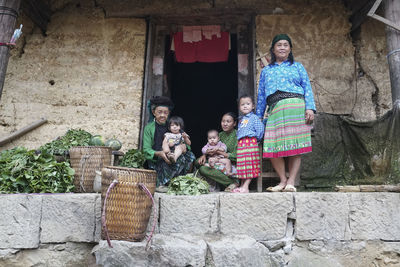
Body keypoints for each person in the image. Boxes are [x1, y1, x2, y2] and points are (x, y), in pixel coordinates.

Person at [256, 33, 316, 192]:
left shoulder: (297, 66)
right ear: (273, 49)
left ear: (289, 49)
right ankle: (282, 180)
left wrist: (310, 107)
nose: (282, 47)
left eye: (285, 45)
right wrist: (258, 117)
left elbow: (307, 87)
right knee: (271, 146)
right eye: (279, 45)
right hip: (274, 109)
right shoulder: (266, 71)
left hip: (296, 107)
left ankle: (290, 182)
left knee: (296, 145)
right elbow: (261, 95)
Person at [143, 96, 196, 192]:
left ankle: (180, 181)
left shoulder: (172, 125)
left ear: (168, 114)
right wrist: (160, 153)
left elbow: (186, 142)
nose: (162, 115)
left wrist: (184, 147)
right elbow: (146, 150)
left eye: (165, 112)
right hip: (159, 156)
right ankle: (161, 183)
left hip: (174, 154)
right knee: (165, 161)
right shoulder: (149, 128)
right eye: (159, 112)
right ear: (154, 112)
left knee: (190, 156)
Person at [197, 112, 238, 192]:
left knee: (203, 169)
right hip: (215, 160)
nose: (225, 124)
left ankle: (232, 182)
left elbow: (236, 156)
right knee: (197, 162)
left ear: (234, 123)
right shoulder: (219, 135)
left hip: (229, 163)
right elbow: (209, 146)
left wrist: (219, 152)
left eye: (228, 121)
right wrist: (204, 155)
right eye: (223, 121)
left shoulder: (237, 135)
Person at [232, 95, 264, 193]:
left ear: (253, 106)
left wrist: (255, 140)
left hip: (250, 144)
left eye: (248, 104)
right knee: (243, 166)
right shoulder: (241, 120)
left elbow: (260, 130)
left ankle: (246, 186)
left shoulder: (254, 118)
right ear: (239, 107)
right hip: (242, 145)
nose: (245, 106)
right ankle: (242, 185)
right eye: (242, 104)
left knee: (250, 165)